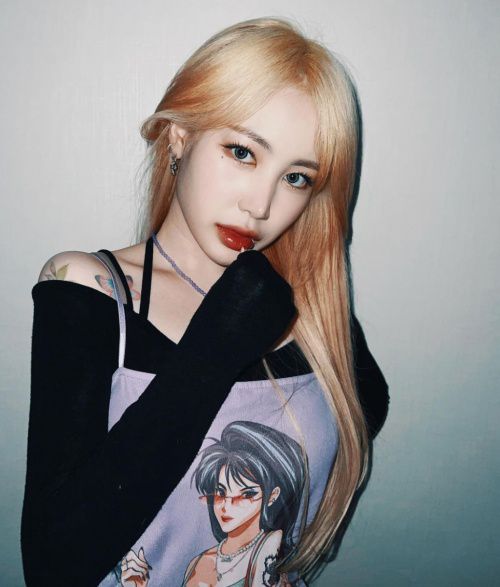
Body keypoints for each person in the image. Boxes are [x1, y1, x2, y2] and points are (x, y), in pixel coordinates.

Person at [20, 16, 389, 587]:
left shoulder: (308, 307)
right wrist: (219, 342)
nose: (261, 206)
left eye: (296, 178)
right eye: (242, 152)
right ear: (179, 136)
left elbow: (365, 404)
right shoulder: (91, 289)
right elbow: (54, 566)